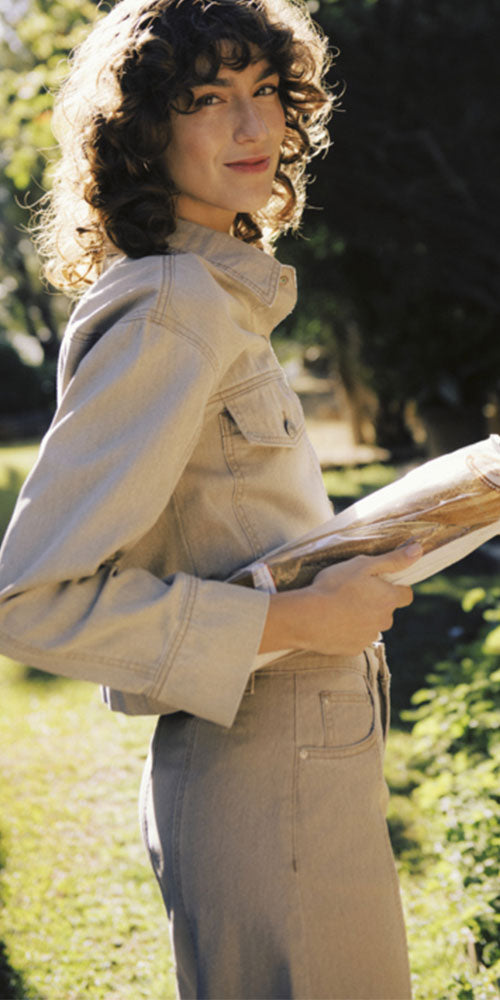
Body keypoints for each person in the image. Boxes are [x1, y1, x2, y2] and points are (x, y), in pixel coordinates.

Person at [0, 0, 422, 996]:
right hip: (264, 777)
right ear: (145, 133)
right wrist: (304, 617)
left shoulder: (217, 295)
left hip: (296, 767)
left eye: (264, 92)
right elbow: (28, 597)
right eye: (205, 100)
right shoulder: (170, 306)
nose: (249, 127)